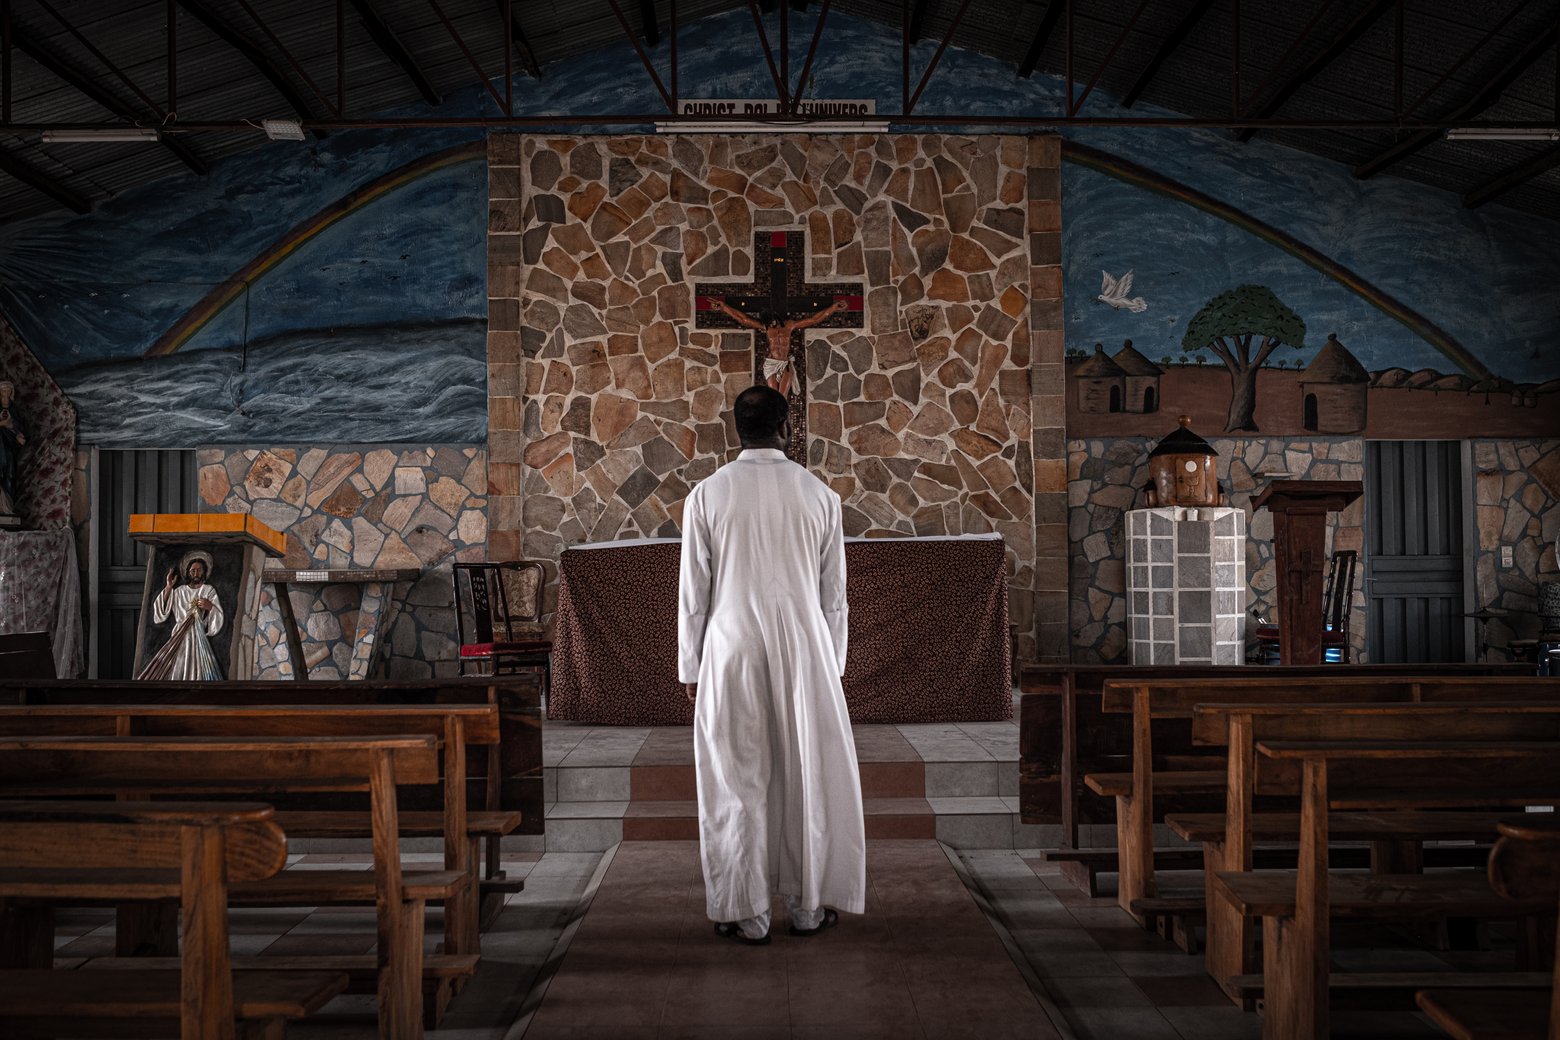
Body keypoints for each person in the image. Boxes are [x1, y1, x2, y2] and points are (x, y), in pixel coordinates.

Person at [677, 384, 866, 945]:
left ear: (737, 430)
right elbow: (835, 596)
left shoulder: (706, 495)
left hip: (731, 648)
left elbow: (694, 594)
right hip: (806, 648)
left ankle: (747, 913)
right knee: (808, 776)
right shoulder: (820, 495)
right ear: (788, 428)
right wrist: (832, 666)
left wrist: (692, 667)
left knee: (737, 778)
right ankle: (808, 908)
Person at [704, 296, 852, 396]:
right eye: (768, 322)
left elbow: (813, 319)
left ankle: (781, 425)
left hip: (784, 363)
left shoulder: (789, 325)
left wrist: (833, 308)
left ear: (775, 317)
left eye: (772, 321)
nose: (771, 324)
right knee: (775, 397)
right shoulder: (767, 328)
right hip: (771, 364)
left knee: (782, 397)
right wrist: (724, 307)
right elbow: (743, 319)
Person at [137, 550, 225, 680]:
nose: (196, 574)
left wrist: (210, 607)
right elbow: (161, 613)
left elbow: (218, 614)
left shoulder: (208, 590)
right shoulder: (179, 591)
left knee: (198, 670)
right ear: (188, 572)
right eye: (193, 571)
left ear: (204, 571)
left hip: (198, 636)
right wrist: (169, 587)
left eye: (199, 570)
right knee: (178, 667)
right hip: (179, 635)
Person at [0, 379, 27, 519]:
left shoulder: (14, 409)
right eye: (3, 390)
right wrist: (3, 424)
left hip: (9, 446)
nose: (5, 392)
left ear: (11, 392)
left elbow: (21, 426)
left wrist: (17, 433)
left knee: (9, 474)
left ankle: (8, 509)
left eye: (8, 390)